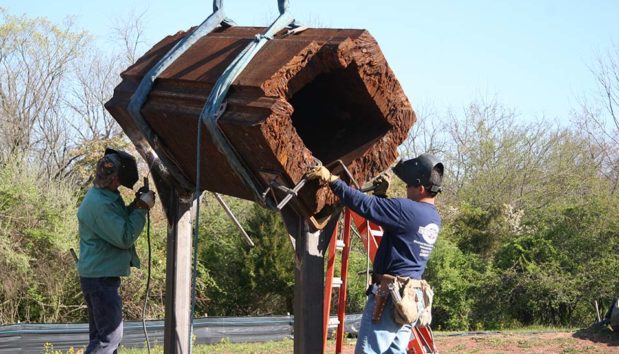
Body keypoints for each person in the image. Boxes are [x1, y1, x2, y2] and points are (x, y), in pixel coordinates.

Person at [307, 153, 444, 354]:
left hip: (390, 296)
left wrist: (332, 180)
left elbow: (367, 206)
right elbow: (398, 225)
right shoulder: (433, 217)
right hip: (411, 297)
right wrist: (381, 198)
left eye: (408, 186)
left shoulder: (407, 210)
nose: (406, 189)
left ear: (421, 188)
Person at [77, 148, 155, 354]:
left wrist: (136, 205)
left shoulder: (104, 196)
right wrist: (141, 209)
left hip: (98, 276)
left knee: (100, 338)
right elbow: (124, 237)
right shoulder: (100, 204)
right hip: (100, 279)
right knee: (109, 338)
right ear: (115, 179)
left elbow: (117, 223)